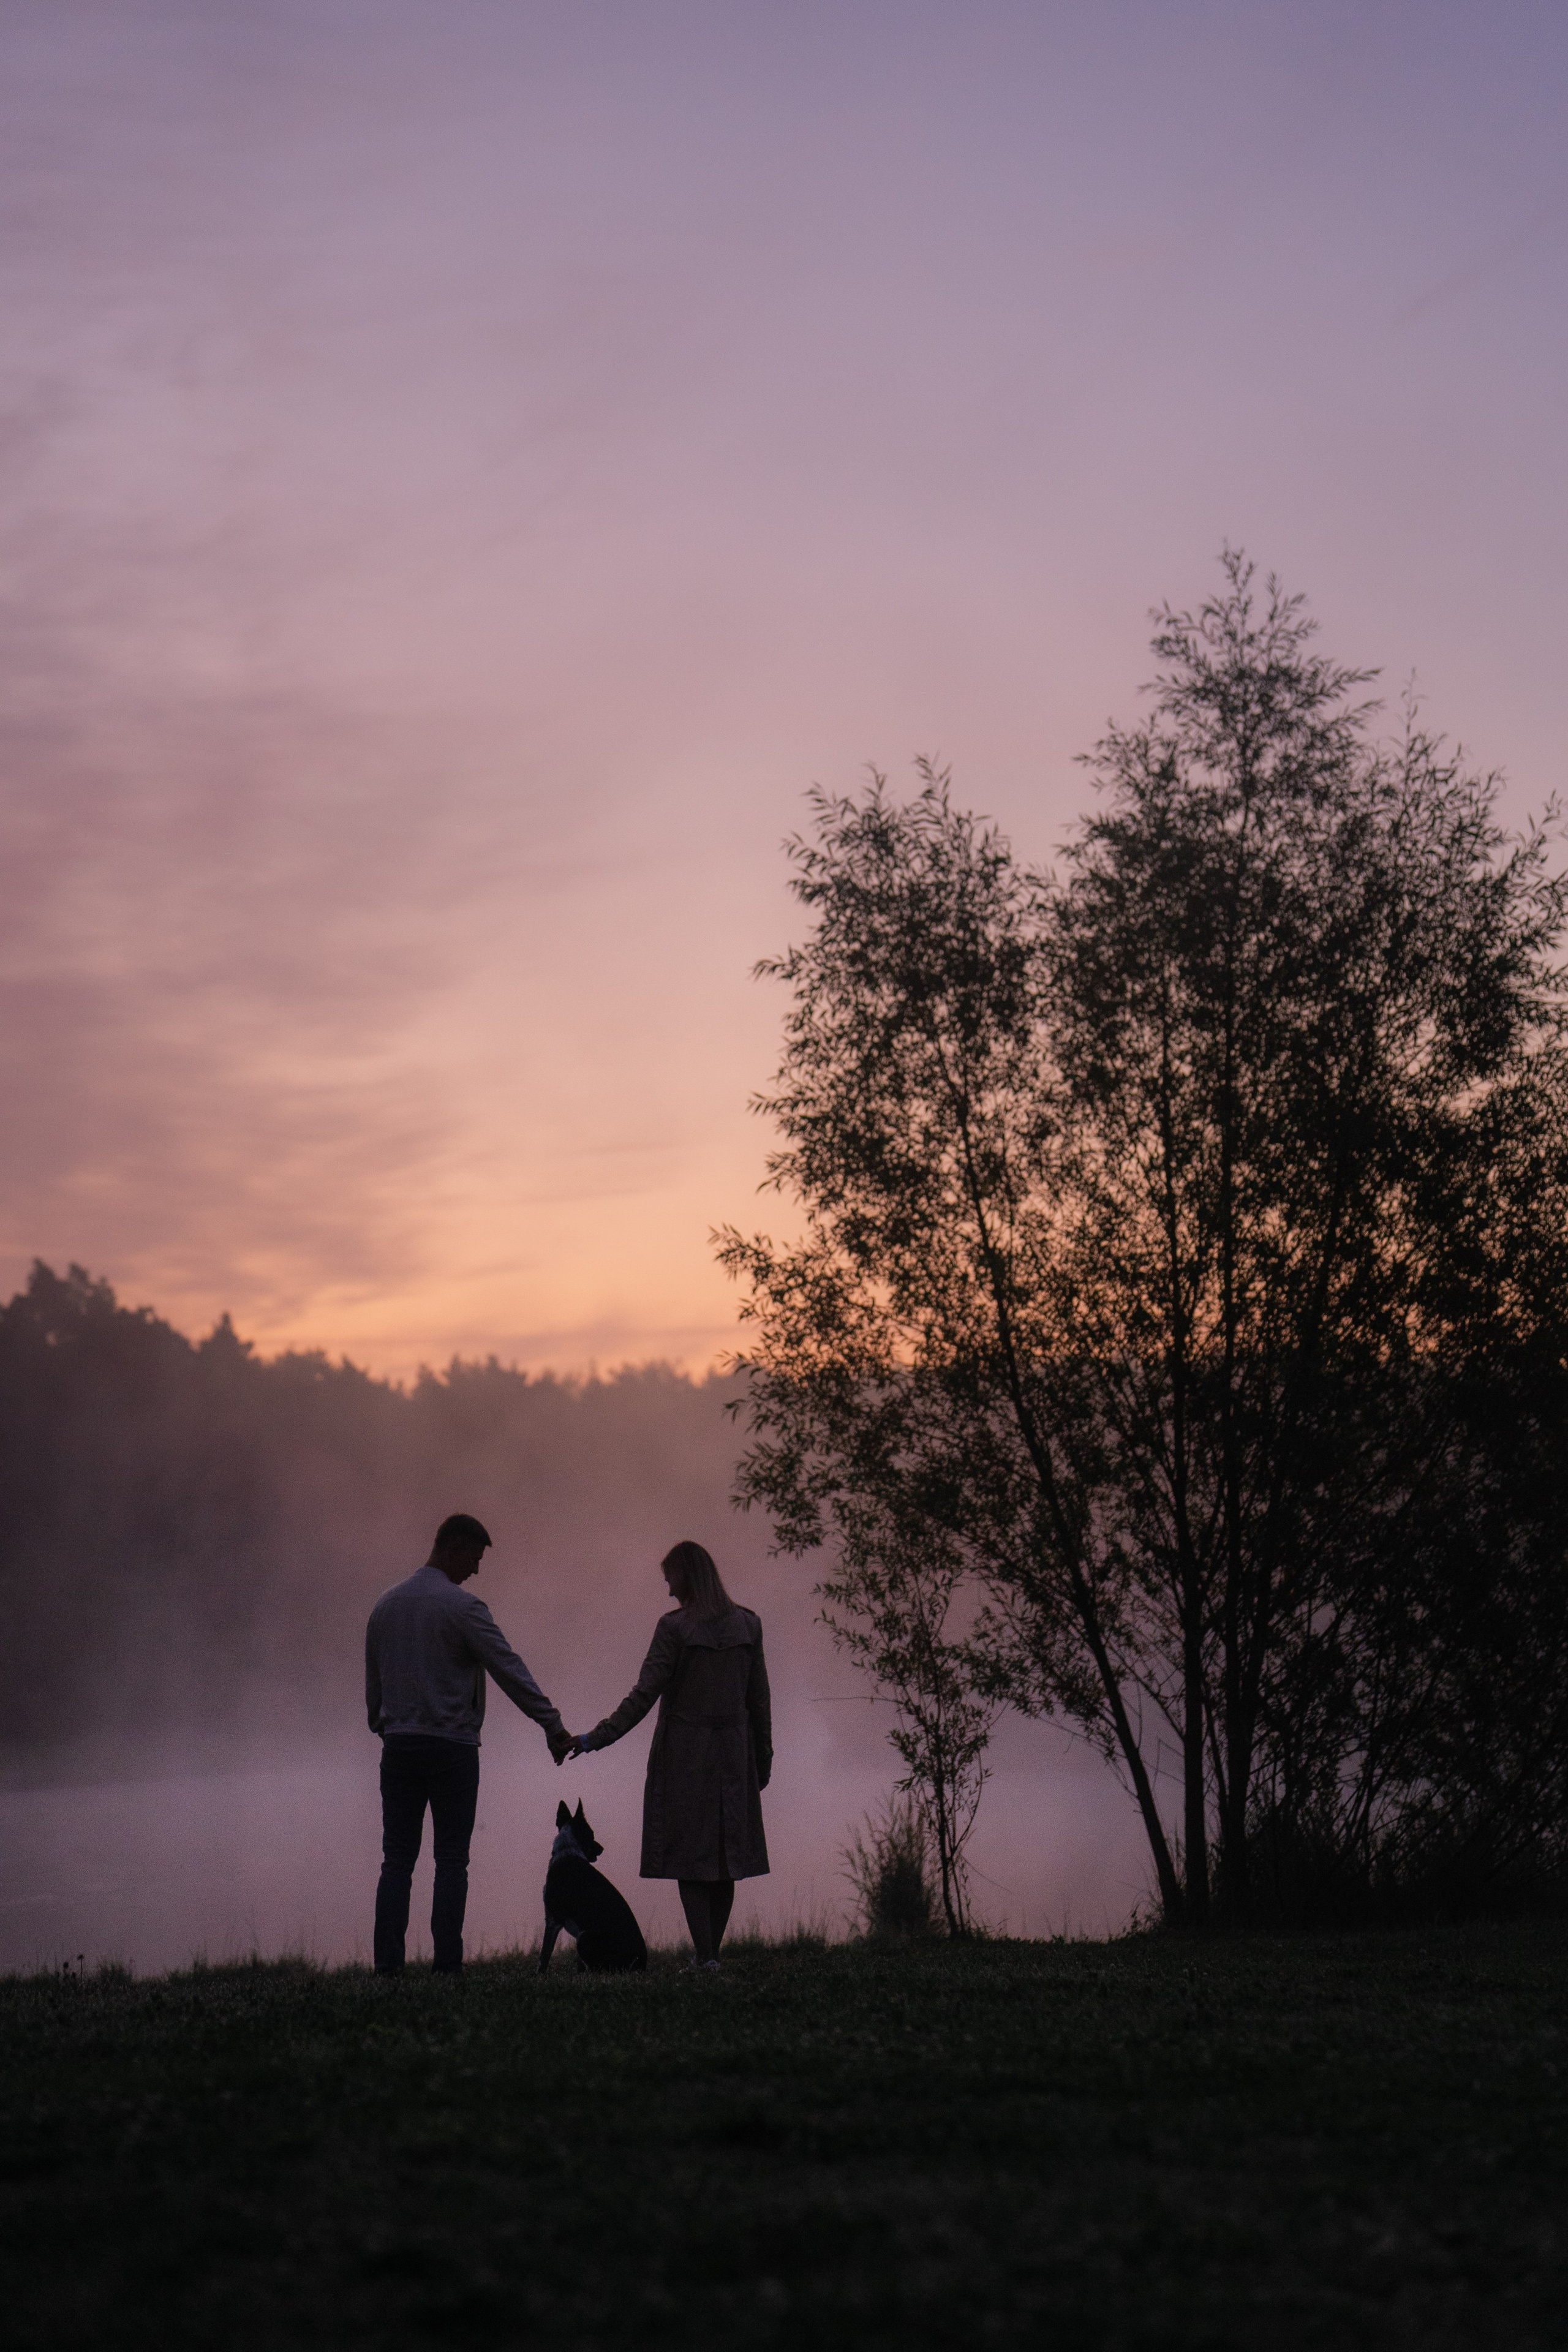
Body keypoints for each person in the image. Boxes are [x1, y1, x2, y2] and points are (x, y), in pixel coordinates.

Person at [365, 1512, 571, 1975]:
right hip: (452, 1749)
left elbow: (373, 1685)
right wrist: (552, 1724)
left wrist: (384, 1725)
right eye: (474, 1559)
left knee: (396, 1861)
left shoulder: (385, 1606)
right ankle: (446, 1966)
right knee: (451, 1861)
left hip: (399, 1747)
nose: (476, 1570)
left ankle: (388, 1968)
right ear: (453, 1547)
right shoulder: (463, 1608)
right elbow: (508, 1668)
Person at [572, 1539, 771, 1969]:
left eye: (670, 1579)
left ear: (687, 1575)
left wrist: (594, 1739)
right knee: (726, 1858)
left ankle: (706, 1957)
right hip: (735, 1757)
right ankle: (710, 1956)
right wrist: (763, 1759)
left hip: (685, 1757)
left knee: (690, 1858)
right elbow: (759, 1701)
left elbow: (643, 1695)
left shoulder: (674, 1629)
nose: (668, 1590)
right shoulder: (748, 1626)